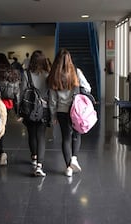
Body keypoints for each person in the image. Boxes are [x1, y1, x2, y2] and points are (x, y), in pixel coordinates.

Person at [47, 48, 89, 177]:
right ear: (69, 60)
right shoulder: (76, 72)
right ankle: (75, 158)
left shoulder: (54, 75)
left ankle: (68, 167)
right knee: (76, 135)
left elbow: (52, 100)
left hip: (62, 111)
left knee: (65, 138)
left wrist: (53, 115)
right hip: (76, 111)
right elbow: (88, 87)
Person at [21, 50, 50, 177]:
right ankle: (39, 165)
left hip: (30, 108)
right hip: (44, 108)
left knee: (31, 134)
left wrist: (19, 111)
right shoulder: (48, 74)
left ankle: (33, 156)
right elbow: (51, 93)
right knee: (41, 136)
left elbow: (22, 92)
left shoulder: (26, 74)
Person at [0, 53, 21, 165]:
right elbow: (16, 91)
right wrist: (18, 110)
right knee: (2, 126)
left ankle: (1, 151)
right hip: (7, 103)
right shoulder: (11, 71)